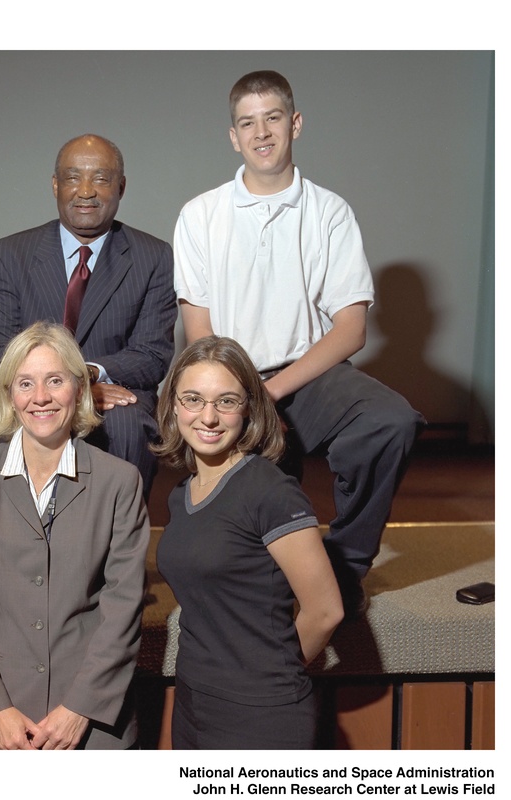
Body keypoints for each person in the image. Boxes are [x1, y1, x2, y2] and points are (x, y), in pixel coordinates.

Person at [172, 71, 425, 615]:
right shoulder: (201, 215)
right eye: (248, 123)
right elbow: (199, 332)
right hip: (231, 378)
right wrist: (240, 395)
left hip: (308, 375)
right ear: (233, 137)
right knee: (260, 530)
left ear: (296, 124)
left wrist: (273, 392)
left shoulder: (330, 212)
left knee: (390, 421)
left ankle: (346, 565)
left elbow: (351, 329)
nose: (261, 132)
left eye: (273, 118)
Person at [0, 322, 150, 750]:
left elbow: (124, 605)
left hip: (92, 724)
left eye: (55, 380)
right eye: (25, 383)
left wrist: (80, 709)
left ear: (79, 389)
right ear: (8, 395)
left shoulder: (120, 481)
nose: (40, 397)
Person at [153, 336, 344, 749]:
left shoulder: (270, 490)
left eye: (226, 401)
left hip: (261, 711)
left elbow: (326, 611)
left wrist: (267, 675)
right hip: (193, 701)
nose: (208, 417)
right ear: (173, 406)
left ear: (249, 409)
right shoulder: (182, 494)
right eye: (193, 399)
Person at [0, 134, 176, 499]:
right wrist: (61, 385)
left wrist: (88, 377)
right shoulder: (9, 254)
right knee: (21, 418)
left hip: (115, 396)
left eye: (100, 178)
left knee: (126, 424)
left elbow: (152, 354)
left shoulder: (152, 256)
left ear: (121, 187)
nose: (85, 191)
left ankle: (120, 530)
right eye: (72, 178)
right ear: (55, 185)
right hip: (33, 392)